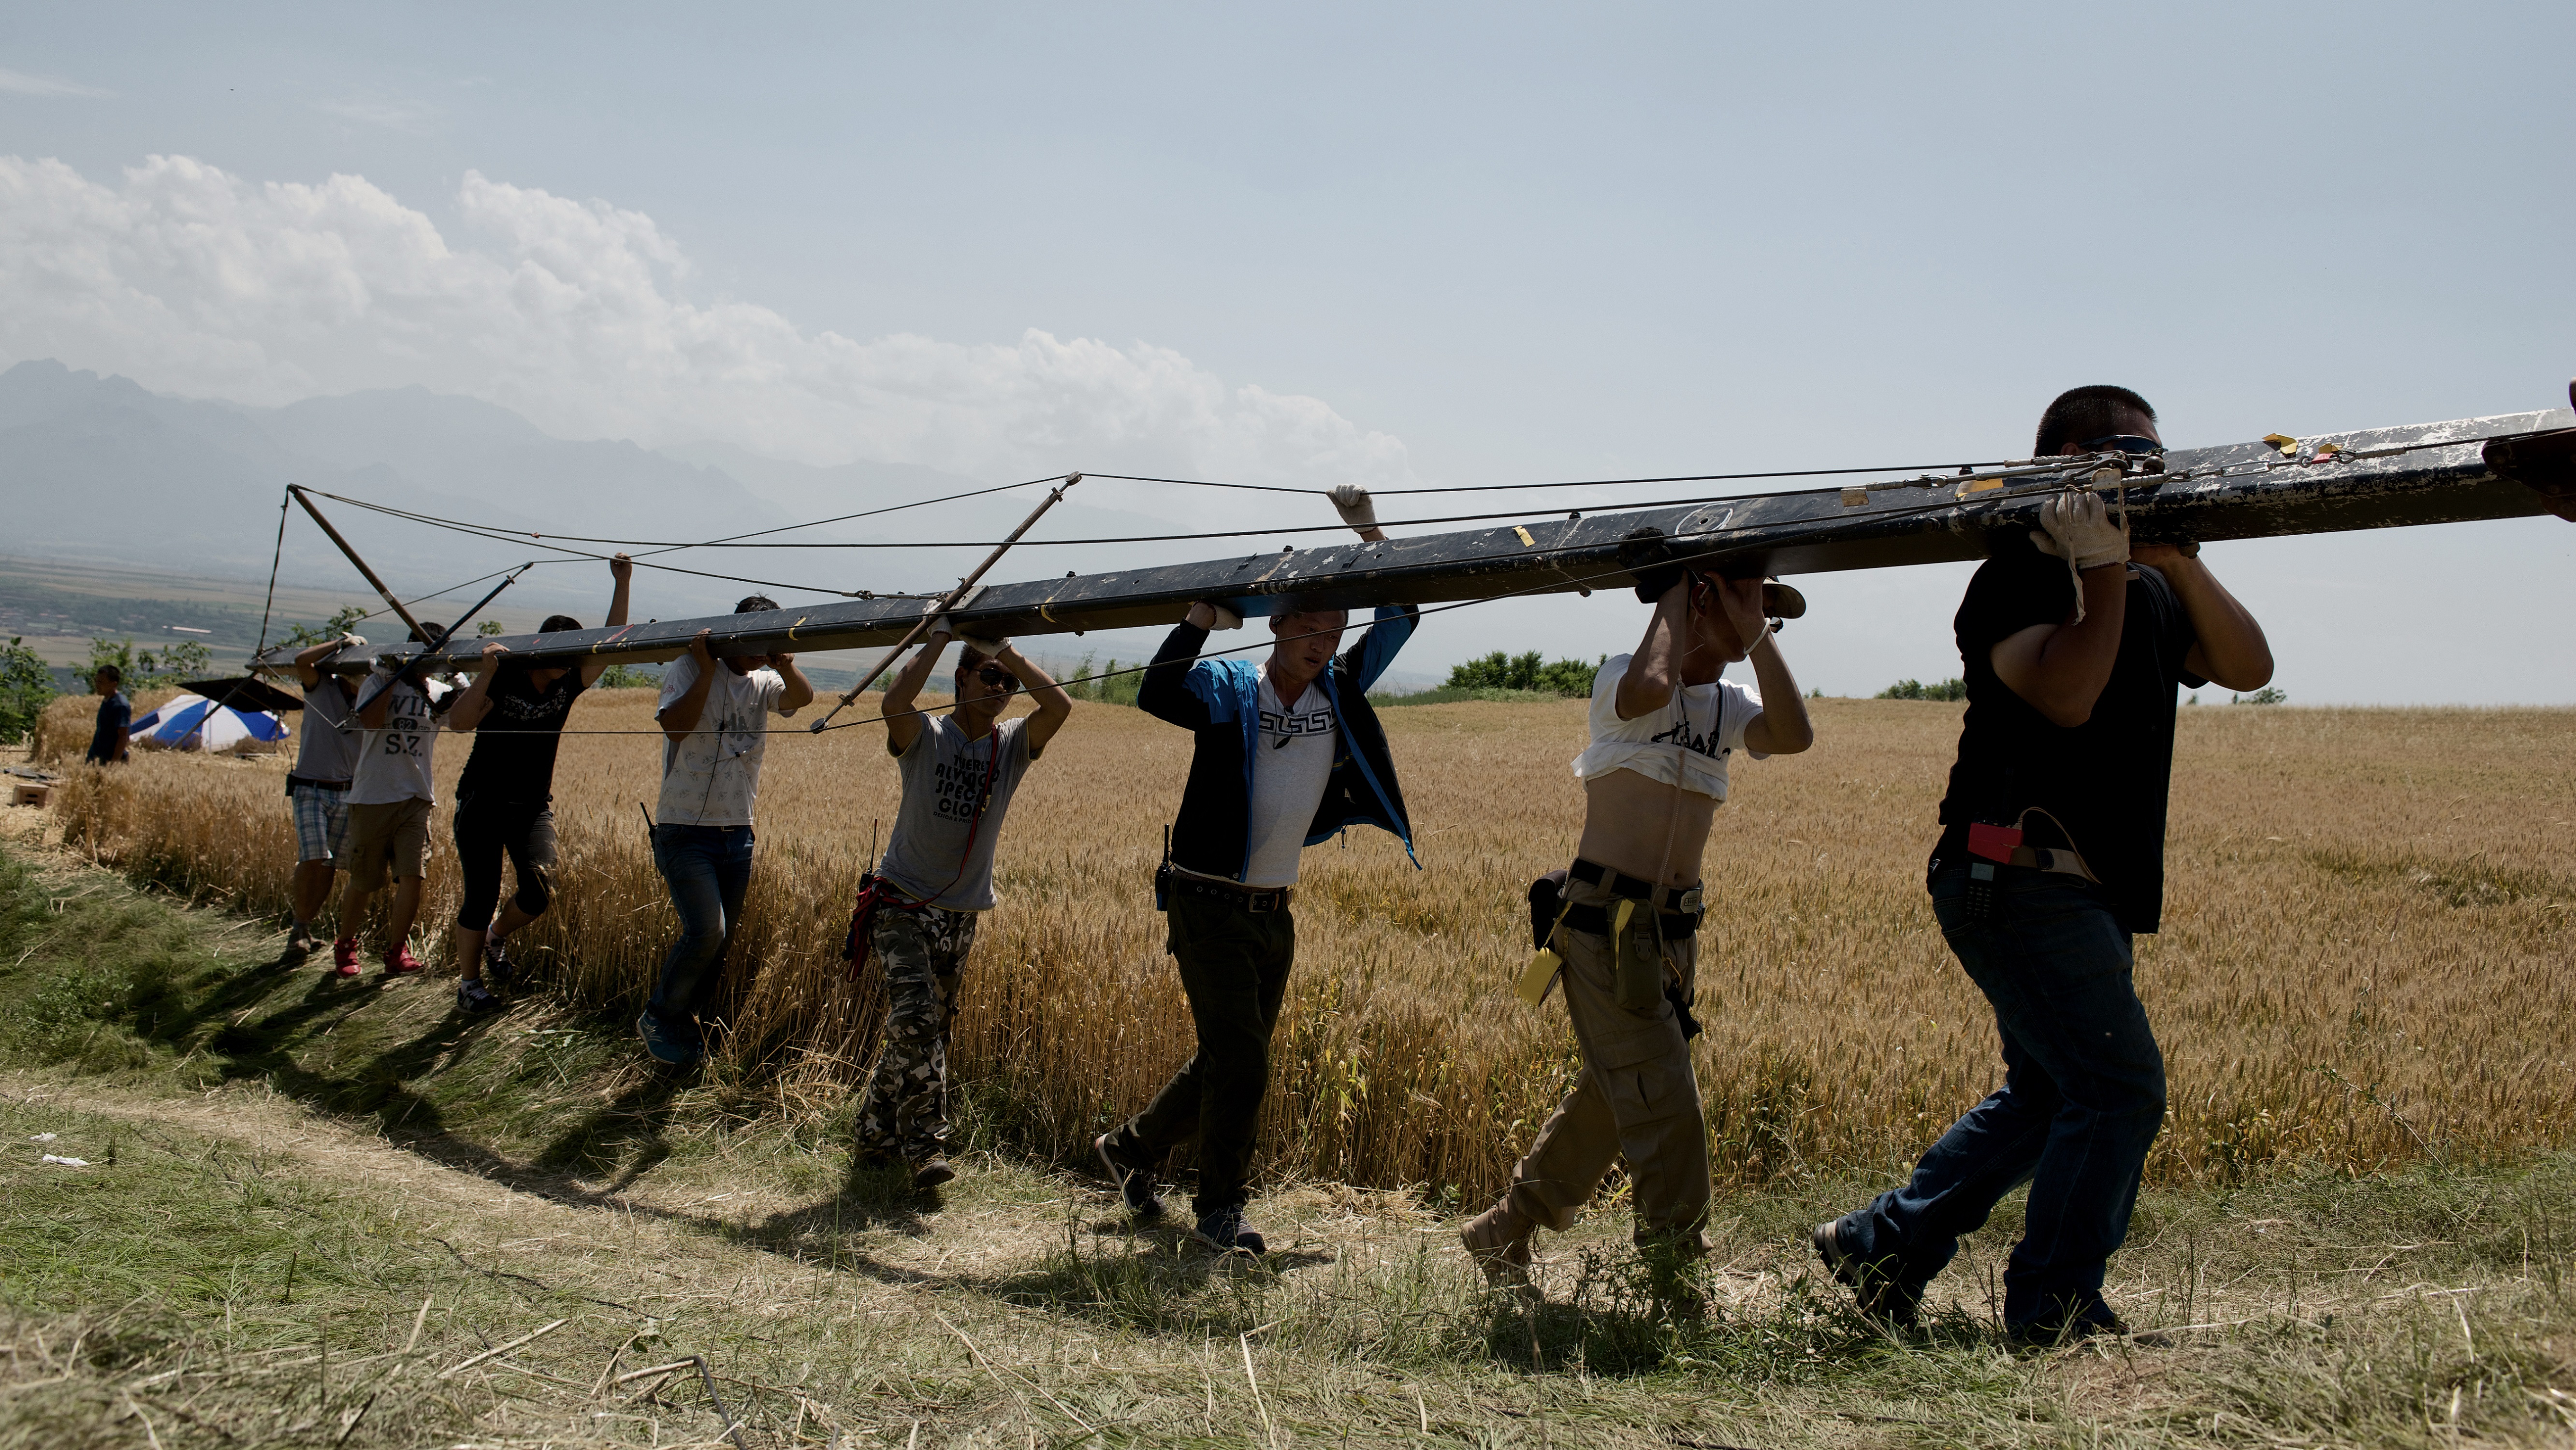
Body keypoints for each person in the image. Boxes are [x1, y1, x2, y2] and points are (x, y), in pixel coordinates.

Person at [1813, 385, 2273, 1346]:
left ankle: (1882, 1244)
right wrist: (2102, 573)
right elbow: (2066, 692)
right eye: (2119, 452)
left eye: (2153, 455)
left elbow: (2245, 665)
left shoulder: (2149, 587)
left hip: (2084, 887)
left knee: (2053, 1090)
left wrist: (2173, 561)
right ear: (2062, 460)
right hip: (2014, 872)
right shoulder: (2014, 576)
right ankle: (2054, 1308)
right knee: (2116, 1086)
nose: (2140, 468)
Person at [1458, 535, 1814, 1314]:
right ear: (1696, 607)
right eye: (1747, 610)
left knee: (1619, 1094)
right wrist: (1681, 597)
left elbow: (1795, 735)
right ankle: (1677, 1280)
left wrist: (1749, 634)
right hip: (1603, 925)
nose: (1762, 626)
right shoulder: (1623, 677)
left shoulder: (1726, 708)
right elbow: (1655, 681)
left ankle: (1507, 1226)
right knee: (1664, 1101)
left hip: (1672, 934)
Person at [1094, 485, 1412, 1256]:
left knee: (1230, 1055)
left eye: (1335, 627)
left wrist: (1367, 531)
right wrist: (1202, 616)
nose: (1324, 639)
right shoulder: (1230, 689)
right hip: (1206, 899)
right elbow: (1156, 690)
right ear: (1278, 624)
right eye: (1310, 624)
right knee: (1243, 1058)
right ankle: (1219, 1210)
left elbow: (1399, 614)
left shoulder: (1338, 689)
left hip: (1276, 907)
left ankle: (1132, 1149)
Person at [851, 622, 1073, 1188]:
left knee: (923, 1029)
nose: (1000, 686)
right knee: (919, 1018)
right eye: (988, 675)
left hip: (962, 912)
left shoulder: (1013, 745)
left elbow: (1060, 705)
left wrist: (1008, 651)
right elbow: (894, 700)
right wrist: (942, 636)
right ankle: (925, 1146)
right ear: (961, 679)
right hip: (900, 902)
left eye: (1006, 680)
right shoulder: (924, 736)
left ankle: (874, 1134)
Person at [443, 554, 634, 1014]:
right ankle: (469, 985)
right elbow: (459, 723)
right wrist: (487, 672)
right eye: (562, 652)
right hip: (483, 798)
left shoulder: (570, 682)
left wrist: (622, 582)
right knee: (482, 893)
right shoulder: (504, 677)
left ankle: (496, 937)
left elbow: (608, 643)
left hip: (532, 805)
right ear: (540, 649)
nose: (570, 661)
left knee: (541, 889)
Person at [637, 595, 816, 1068]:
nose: (761, 649)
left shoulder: (764, 681)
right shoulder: (686, 667)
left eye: (770, 638)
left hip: (737, 830)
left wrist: (787, 663)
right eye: (756, 637)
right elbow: (675, 727)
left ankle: (684, 1028)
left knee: (721, 940)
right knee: (706, 931)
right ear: (734, 632)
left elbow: (800, 700)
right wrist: (702, 668)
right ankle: (659, 1014)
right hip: (684, 827)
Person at [335, 624, 456, 979]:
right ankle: (345, 943)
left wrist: (463, 680)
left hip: (417, 795)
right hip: (374, 795)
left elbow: (462, 719)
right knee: (365, 879)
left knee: (412, 876)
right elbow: (372, 722)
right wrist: (392, 676)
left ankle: (396, 949)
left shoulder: (437, 690)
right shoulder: (378, 681)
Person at [285, 632, 367, 956]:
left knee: (330, 865)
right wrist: (338, 643)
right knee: (315, 857)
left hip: (347, 793)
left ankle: (305, 925)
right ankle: (298, 928)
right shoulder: (320, 686)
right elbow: (301, 661)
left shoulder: (371, 700)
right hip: (310, 787)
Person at [83, 664, 131, 765]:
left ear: (114, 684)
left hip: (108, 761)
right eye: (96, 681)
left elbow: (123, 737)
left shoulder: (120, 705)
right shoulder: (107, 701)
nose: (97, 685)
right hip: (97, 759)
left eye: (101, 682)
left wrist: (114, 764)